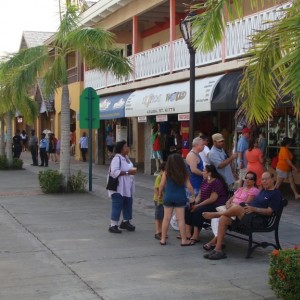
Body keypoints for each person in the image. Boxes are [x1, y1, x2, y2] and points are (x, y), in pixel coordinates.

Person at [202, 171, 282, 260]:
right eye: (262, 179)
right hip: (247, 216)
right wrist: (248, 206)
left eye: (266, 179)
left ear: (273, 179)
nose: (264, 181)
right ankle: (218, 250)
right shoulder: (263, 191)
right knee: (224, 218)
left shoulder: (276, 194)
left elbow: (269, 211)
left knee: (237, 207)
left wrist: (254, 209)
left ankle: (215, 214)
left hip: (258, 220)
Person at [203, 171, 260, 251]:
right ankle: (218, 241)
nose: (247, 180)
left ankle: (213, 241)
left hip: (238, 213)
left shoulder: (254, 190)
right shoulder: (240, 189)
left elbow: (246, 204)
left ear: (254, 181)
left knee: (220, 216)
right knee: (216, 219)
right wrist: (228, 203)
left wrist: (233, 206)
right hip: (229, 209)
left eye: (250, 179)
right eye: (246, 178)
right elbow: (230, 199)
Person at [158, 153, 195, 246]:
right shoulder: (184, 172)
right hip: (180, 197)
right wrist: (193, 195)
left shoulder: (166, 172)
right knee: (181, 219)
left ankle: (163, 239)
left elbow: (161, 185)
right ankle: (184, 240)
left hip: (168, 196)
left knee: (166, 218)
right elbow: (189, 186)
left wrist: (159, 194)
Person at [185, 164, 228, 244]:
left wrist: (197, 206)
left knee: (198, 211)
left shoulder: (216, 182)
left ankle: (195, 235)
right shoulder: (205, 181)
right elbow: (200, 196)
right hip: (206, 204)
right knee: (188, 208)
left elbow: (212, 199)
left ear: (210, 173)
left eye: (204, 171)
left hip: (216, 205)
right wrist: (194, 203)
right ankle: (187, 233)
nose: (202, 172)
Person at [107, 140, 137, 233]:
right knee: (117, 205)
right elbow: (114, 172)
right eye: (126, 146)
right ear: (121, 149)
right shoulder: (117, 159)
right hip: (119, 186)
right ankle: (113, 225)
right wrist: (128, 172)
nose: (128, 148)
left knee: (128, 203)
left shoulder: (126, 157)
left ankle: (126, 221)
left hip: (127, 186)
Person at [153, 162, 166, 240]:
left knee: (163, 216)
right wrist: (158, 197)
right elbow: (156, 188)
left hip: (164, 200)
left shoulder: (166, 177)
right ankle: (158, 231)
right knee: (158, 216)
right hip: (159, 200)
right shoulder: (159, 177)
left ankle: (162, 231)